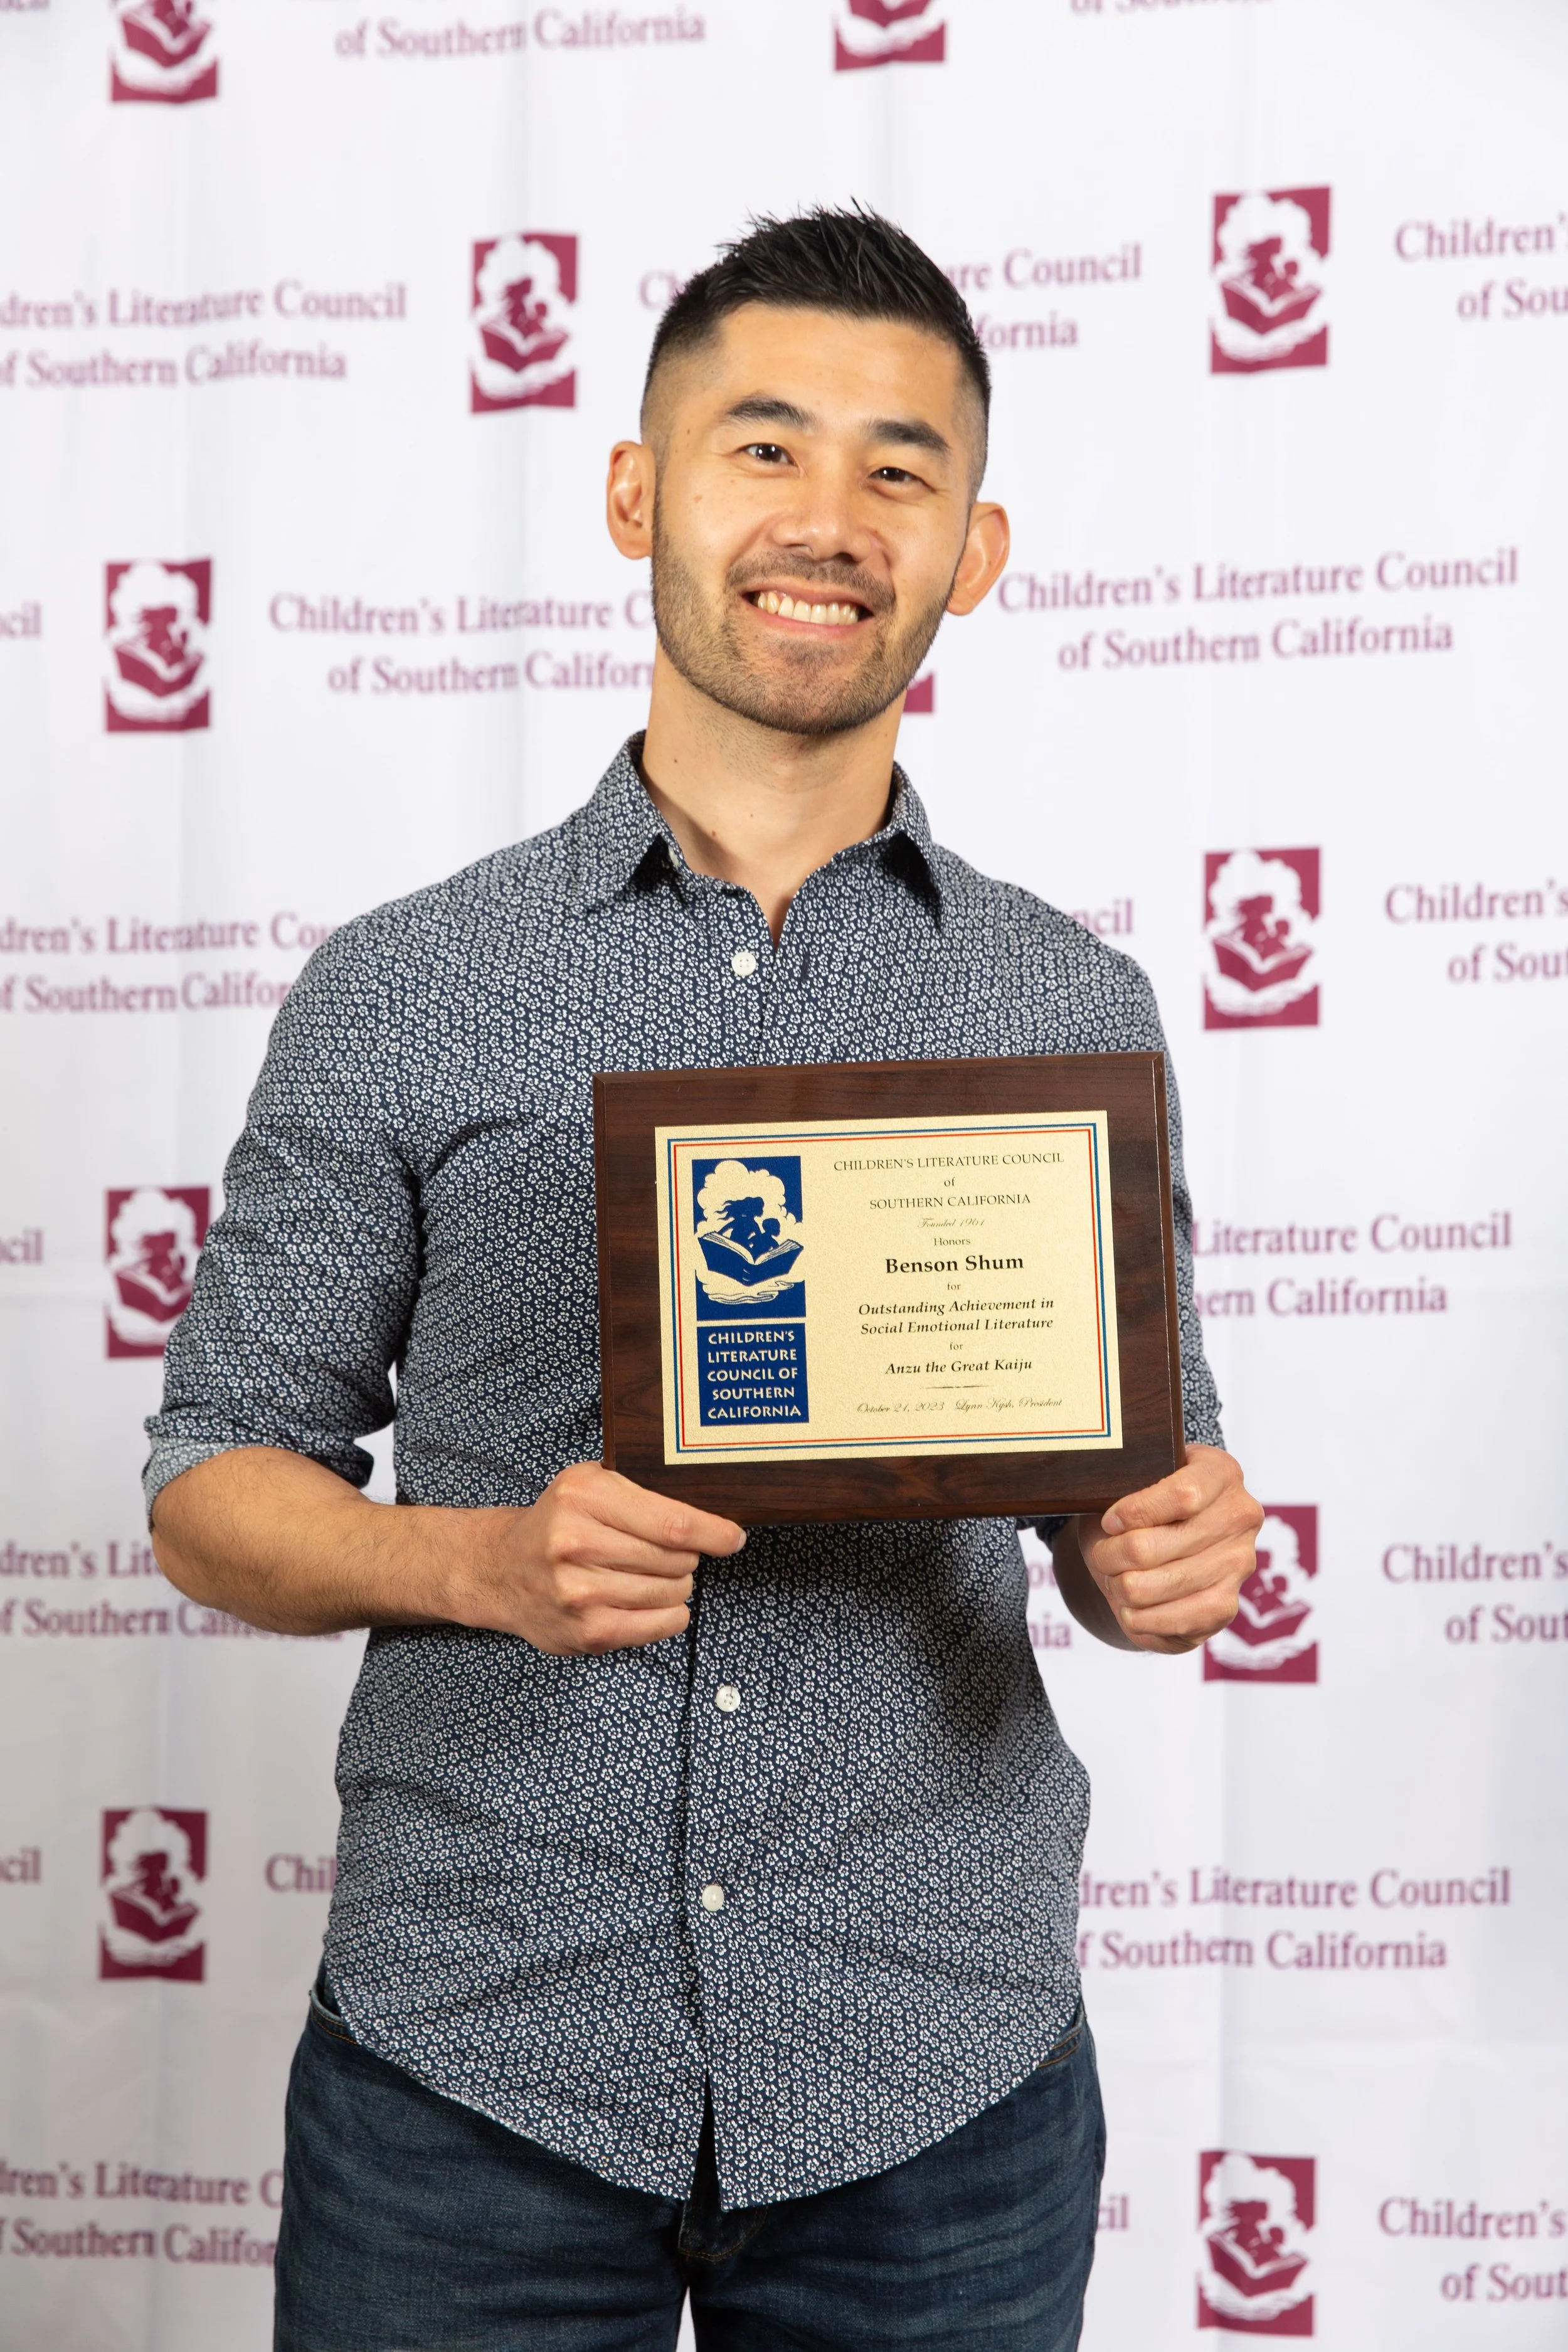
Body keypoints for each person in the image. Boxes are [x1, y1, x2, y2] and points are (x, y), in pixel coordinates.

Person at [148, 207, 1261, 2352]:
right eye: (764, 448)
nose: (827, 520)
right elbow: (214, 1476)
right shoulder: (405, 986)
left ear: (976, 550)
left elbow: (1132, 1496)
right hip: (472, 2064)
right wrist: (479, 1560)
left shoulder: (1071, 999)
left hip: (935, 2076)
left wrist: (1161, 1548)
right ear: (637, 494)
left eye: (898, 469)